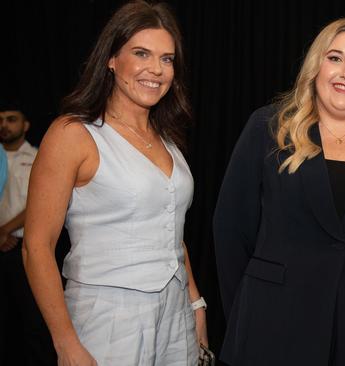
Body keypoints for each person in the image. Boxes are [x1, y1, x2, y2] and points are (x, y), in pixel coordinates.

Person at [213, 17, 345, 366]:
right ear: (315, 67)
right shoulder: (268, 128)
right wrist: (245, 314)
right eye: (335, 58)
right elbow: (230, 232)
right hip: (273, 329)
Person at [22, 1, 207, 365]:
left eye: (167, 59)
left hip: (176, 312)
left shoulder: (166, 137)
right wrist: (65, 343)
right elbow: (36, 246)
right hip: (107, 317)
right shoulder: (73, 134)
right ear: (111, 58)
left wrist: (195, 304)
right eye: (141, 53)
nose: (156, 69)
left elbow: (171, 228)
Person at [0, 103, 56, 365]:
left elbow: (38, 204)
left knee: (32, 320)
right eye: (0, 120)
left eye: (11, 119)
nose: (4, 125)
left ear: (25, 126)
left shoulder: (37, 158)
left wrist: (5, 230)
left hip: (21, 247)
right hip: (1, 241)